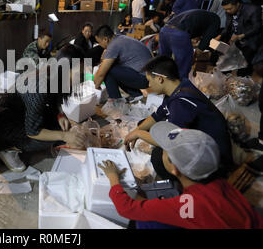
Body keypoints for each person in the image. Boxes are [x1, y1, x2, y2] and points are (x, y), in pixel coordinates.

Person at [99, 122, 263, 229]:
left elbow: (126, 208)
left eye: (165, 150)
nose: (161, 150)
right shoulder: (220, 182)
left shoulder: (189, 205)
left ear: (174, 169)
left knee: (145, 222)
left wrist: (113, 177)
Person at [123, 56, 233, 180]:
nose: (148, 85)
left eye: (149, 80)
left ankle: (195, 183)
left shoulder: (180, 103)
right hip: (205, 142)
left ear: (160, 79)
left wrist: (139, 134)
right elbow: (157, 116)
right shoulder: (179, 88)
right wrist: (135, 131)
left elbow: (171, 141)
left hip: (214, 159)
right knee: (145, 125)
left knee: (159, 157)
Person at [0, 45, 86, 172]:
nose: (81, 78)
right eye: (79, 73)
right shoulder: (40, 86)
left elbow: (54, 99)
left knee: (59, 128)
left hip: (22, 113)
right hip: (6, 124)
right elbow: (33, 132)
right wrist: (65, 136)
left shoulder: (55, 74)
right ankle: (8, 148)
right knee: (57, 135)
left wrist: (60, 114)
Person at [93, 25, 151, 101]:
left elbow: (101, 74)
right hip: (148, 76)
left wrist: (96, 87)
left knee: (109, 71)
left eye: (99, 42)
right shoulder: (120, 38)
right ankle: (136, 95)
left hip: (144, 78)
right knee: (115, 68)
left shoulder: (113, 46)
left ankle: (115, 101)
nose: (99, 45)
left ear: (105, 39)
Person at [159, 9, 221, 79]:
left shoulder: (202, 15)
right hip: (178, 34)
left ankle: (161, 83)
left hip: (164, 30)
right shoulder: (216, 20)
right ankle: (180, 88)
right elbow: (207, 38)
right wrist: (197, 52)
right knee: (183, 67)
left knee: (163, 63)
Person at [216, 0, 263, 76]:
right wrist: (219, 36)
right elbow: (228, 27)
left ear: (238, 4)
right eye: (225, 9)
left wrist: (240, 36)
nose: (227, 11)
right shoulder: (228, 11)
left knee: (244, 66)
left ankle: (243, 83)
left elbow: (257, 28)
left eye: (229, 9)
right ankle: (224, 80)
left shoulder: (253, 9)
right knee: (223, 56)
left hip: (249, 41)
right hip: (235, 40)